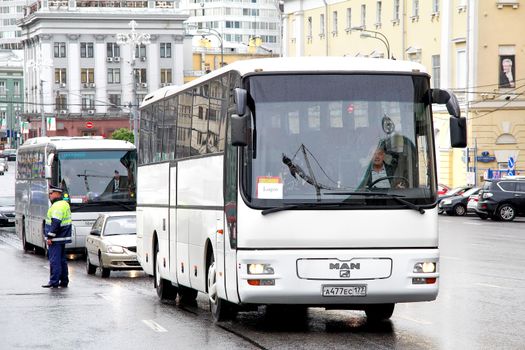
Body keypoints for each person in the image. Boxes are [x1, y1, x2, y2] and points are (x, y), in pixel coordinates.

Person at [42, 186, 72, 288]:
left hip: (56, 238)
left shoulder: (57, 206)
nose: (49, 195)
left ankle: (54, 281)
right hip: (62, 237)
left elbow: (56, 222)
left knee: (54, 260)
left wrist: (50, 237)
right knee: (62, 260)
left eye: (51, 193)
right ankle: (64, 281)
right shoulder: (64, 204)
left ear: (58, 194)